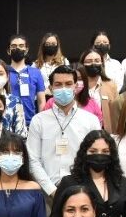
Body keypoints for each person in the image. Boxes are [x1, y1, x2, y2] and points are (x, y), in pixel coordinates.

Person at [27, 66, 102, 199]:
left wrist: (81, 190)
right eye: (58, 84)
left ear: (76, 86)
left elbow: (95, 158)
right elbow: (33, 160)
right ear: (50, 88)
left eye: (68, 84)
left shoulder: (91, 120)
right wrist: (52, 191)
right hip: (46, 195)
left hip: (82, 192)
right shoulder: (38, 121)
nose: (63, 88)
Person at [57, 131, 126, 217]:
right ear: (84, 153)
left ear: (112, 154)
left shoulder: (124, 183)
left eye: (105, 151)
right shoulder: (69, 183)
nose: (99, 155)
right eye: (93, 151)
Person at [7, 34, 48, 125]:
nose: (17, 49)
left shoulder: (36, 72)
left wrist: (41, 122)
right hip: (7, 122)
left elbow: (41, 101)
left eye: (21, 46)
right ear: (8, 51)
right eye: (14, 46)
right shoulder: (3, 71)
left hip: (30, 122)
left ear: (26, 50)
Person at [76, 48, 115, 130]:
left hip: (105, 131)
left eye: (97, 61)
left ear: (102, 63)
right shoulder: (77, 85)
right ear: (82, 64)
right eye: (89, 61)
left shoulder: (111, 85)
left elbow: (115, 112)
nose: (93, 63)